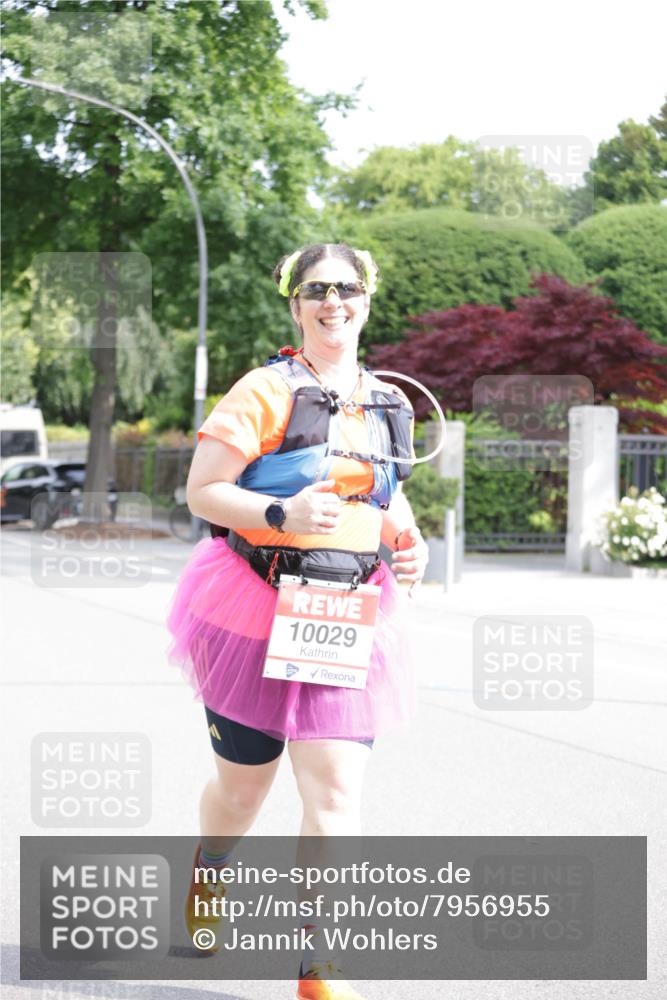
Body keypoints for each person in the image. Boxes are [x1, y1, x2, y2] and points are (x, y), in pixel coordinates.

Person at [167, 242, 428, 1000]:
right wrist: (280, 510)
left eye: (346, 289)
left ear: (366, 300)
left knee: (336, 791)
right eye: (317, 289)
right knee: (242, 792)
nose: (332, 302)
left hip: (344, 614)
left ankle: (318, 964)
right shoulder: (265, 389)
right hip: (250, 606)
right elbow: (202, 490)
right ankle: (210, 870)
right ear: (295, 302)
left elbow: (385, 497)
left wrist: (407, 548)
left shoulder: (388, 401)